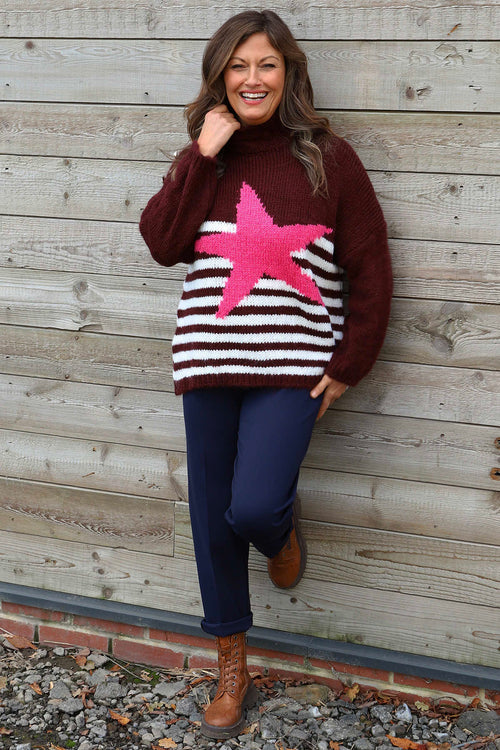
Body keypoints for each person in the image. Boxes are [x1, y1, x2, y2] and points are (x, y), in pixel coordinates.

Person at [139, 9, 393, 740]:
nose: (253, 79)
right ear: (220, 76)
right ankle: (232, 666)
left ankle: (278, 534)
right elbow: (162, 243)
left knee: (250, 508)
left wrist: (349, 364)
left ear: (289, 74)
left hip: (292, 366)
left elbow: (371, 265)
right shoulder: (204, 157)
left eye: (267, 65)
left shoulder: (327, 159)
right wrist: (202, 155)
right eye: (239, 66)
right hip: (208, 362)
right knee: (210, 515)